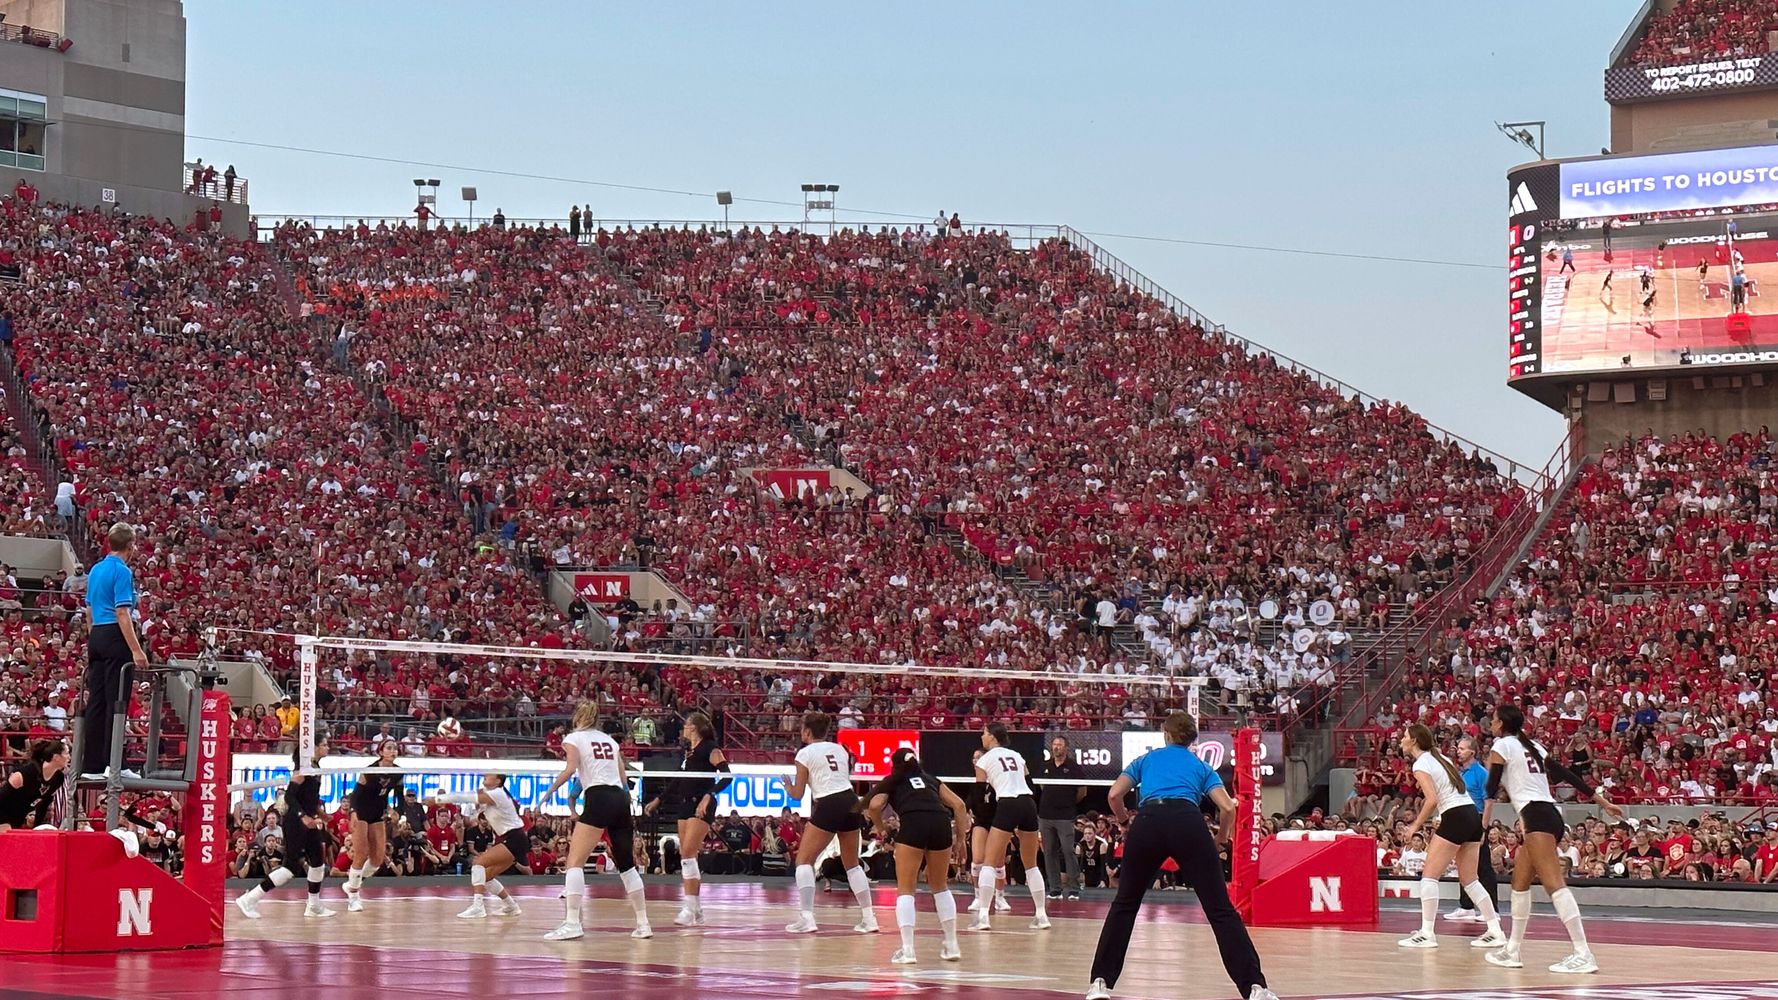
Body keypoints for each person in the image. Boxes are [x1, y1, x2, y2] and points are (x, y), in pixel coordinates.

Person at [1085, 712, 1275, 1000]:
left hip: (1149, 820)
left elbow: (1114, 795)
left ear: (1166, 734)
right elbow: (1228, 808)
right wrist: (1221, 839)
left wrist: (1124, 823)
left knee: (1125, 905)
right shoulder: (1200, 765)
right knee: (1221, 910)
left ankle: (1100, 983)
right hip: (1188, 822)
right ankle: (1255, 987)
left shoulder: (1147, 760)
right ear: (1190, 739)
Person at [1484, 704, 1624, 974]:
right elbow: (1567, 774)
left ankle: (1583, 952)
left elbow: (1491, 787)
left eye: (1493, 720)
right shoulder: (1533, 745)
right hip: (1548, 814)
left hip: (1535, 816)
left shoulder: (1502, 746)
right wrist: (1601, 800)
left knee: (1553, 884)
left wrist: (1486, 796)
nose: (1491, 724)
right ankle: (1512, 950)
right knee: (1519, 882)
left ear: (1501, 723)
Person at [537, 700, 651, 941]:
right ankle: (643, 923)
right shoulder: (610, 740)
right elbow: (622, 777)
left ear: (577, 716)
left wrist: (547, 794)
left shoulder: (573, 738)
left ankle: (572, 923)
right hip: (620, 798)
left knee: (574, 862)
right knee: (626, 864)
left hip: (598, 797)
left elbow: (569, 770)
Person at [1394, 726, 1505, 950]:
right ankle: (1496, 931)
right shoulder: (1440, 757)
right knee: (1471, 880)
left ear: (1414, 741)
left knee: (1429, 877)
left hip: (1454, 815)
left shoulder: (1421, 764)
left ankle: (1426, 933)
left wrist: (1415, 824)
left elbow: (1432, 799)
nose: (1401, 739)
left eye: (1405, 736)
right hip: (1472, 814)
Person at [864, 747, 970, 965]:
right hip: (940, 822)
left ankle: (908, 949)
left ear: (894, 765)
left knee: (906, 889)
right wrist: (960, 840)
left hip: (913, 823)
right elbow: (959, 805)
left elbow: (874, 805)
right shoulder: (930, 779)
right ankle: (951, 945)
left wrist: (881, 828)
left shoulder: (892, 780)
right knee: (940, 886)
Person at [781, 710, 877, 934]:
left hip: (829, 802)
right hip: (851, 800)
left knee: (804, 860)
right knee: (852, 863)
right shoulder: (840, 749)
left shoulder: (804, 754)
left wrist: (787, 786)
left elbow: (797, 794)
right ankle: (869, 918)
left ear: (806, 731)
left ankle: (807, 917)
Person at [642, 710, 731, 926]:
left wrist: (709, 796)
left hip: (700, 804)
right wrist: (659, 800)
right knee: (686, 856)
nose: (683, 727)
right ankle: (697, 909)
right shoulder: (689, 752)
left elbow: (726, 775)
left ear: (694, 727)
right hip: (685, 803)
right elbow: (678, 780)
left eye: (686, 724)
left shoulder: (710, 748)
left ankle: (689, 908)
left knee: (689, 853)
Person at [236, 736, 336, 919]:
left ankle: (313, 905)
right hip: (295, 823)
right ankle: (250, 898)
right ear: (313, 748)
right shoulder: (301, 771)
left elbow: (309, 799)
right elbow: (290, 797)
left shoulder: (315, 769)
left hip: (310, 821)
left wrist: (320, 814)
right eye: (323, 745)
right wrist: (303, 816)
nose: (327, 748)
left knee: (318, 862)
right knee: (290, 868)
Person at [82, 522, 148, 778]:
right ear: (130, 546)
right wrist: (136, 650)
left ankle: (93, 765)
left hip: (97, 633)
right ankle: (115, 764)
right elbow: (122, 612)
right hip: (113, 633)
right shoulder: (122, 571)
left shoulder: (96, 570)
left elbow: (88, 610)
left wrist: (94, 638)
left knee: (97, 701)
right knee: (116, 700)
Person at [970, 722, 1049, 931]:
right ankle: (1041, 915)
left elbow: (979, 794)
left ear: (993, 737)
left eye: (984, 733)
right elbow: (1031, 785)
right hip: (1028, 803)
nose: (982, 737)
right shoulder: (1017, 755)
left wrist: (986, 817)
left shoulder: (984, 759)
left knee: (989, 862)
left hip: (1007, 802)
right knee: (1031, 864)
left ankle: (983, 917)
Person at [436, 773, 526, 918]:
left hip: (514, 838)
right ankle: (511, 906)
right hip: (512, 838)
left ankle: (478, 906)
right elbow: (477, 800)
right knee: (487, 877)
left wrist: (438, 799)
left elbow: (467, 797)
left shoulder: (497, 793)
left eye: (489, 775)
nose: (485, 775)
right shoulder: (492, 795)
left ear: (497, 781)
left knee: (478, 863)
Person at [343, 739, 402, 911]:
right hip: (361, 812)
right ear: (381, 751)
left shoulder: (399, 772)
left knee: (377, 859)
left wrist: (397, 811)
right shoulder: (371, 770)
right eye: (389, 748)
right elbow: (356, 795)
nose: (393, 751)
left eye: (395, 748)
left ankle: (353, 882)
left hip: (377, 813)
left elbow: (399, 795)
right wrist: (353, 813)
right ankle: (353, 896)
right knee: (361, 853)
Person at [1445, 736, 1499, 923]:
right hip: (1463, 818)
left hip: (1477, 818)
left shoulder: (1481, 773)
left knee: (1482, 865)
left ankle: (1493, 909)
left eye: (1462, 748)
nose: (1458, 751)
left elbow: (1489, 802)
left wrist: (1483, 829)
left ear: (1472, 752)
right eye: (1458, 748)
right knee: (1463, 863)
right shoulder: (1462, 773)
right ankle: (1466, 906)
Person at [1038, 734, 1087, 900]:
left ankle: (1074, 887)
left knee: (1068, 850)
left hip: (1065, 816)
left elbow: (1082, 792)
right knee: (1049, 852)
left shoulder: (1074, 767)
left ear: (1066, 748)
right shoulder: (1045, 766)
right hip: (1045, 815)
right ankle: (1055, 888)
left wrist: (1067, 802)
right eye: (1054, 745)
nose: (1056, 747)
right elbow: (1042, 787)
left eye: (1059, 745)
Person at [966, 747, 1010, 915]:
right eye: (974, 757)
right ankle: (978, 897)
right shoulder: (975, 783)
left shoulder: (997, 780)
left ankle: (999, 897)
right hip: (981, 821)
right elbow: (969, 803)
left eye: (980, 757)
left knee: (998, 862)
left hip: (998, 822)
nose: (976, 760)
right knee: (977, 859)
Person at [0, 738, 69, 830]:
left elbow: (44, 805)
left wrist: (37, 828)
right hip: (3, 814)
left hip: (18, 818)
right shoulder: (25, 774)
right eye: (66, 753)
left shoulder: (59, 778)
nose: (69, 757)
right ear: (56, 757)